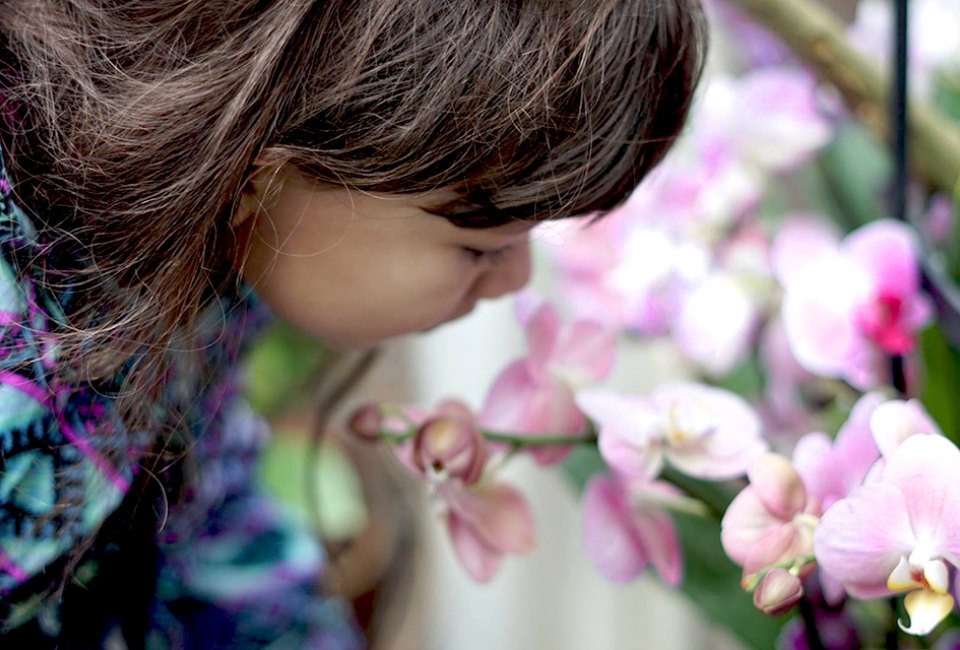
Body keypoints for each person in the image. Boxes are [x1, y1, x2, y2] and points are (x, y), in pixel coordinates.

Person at [0, 0, 706, 647]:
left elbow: (205, 522)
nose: (516, 280)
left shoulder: (215, 261)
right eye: (480, 246)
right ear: (262, 172)